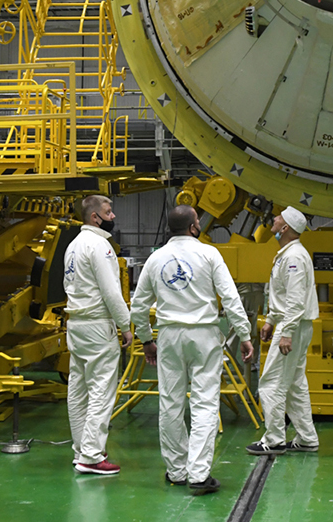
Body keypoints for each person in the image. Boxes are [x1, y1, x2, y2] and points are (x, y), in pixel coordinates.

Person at [130, 205, 253, 495]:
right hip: (204, 335)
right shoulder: (209, 254)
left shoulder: (156, 258)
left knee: (170, 403)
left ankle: (176, 470)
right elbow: (230, 297)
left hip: (170, 335)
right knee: (205, 404)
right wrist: (244, 334)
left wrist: (147, 339)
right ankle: (198, 475)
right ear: (194, 226)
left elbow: (139, 305)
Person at [63, 194, 133, 475]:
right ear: (95, 217)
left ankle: (82, 449)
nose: (113, 216)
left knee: (78, 391)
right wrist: (126, 325)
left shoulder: (73, 245)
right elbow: (111, 292)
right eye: (108, 211)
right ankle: (91, 456)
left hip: (76, 324)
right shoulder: (100, 246)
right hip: (96, 325)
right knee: (101, 390)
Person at [247, 206, 320, 456]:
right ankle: (307, 438)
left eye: (278, 218)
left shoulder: (293, 258)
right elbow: (282, 295)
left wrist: (286, 331)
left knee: (271, 383)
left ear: (286, 227)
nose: (274, 220)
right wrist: (270, 321)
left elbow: (296, 300)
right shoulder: (287, 254)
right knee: (295, 384)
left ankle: (275, 438)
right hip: (292, 324)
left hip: (294, 326)